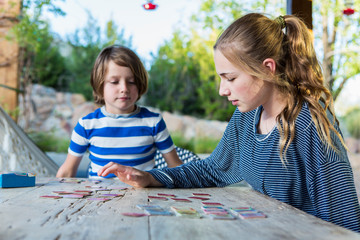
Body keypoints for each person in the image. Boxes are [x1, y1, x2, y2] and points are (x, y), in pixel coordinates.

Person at [97, 14, 360, 232]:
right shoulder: (246, 117)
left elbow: (344, 220)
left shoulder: (310, 124)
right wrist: (150, 178)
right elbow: (212, 170)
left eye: (230, 78)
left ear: (267, 68)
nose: (223, 90)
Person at [56, 45, 183, 178]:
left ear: (139, 85)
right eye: (114, 81)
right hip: (98, 198)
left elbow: (176, 168)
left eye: (132, 82)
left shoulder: (153, 122)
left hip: (145, 197)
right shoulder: (86, 125)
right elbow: (67, 172)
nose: (124, 88)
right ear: (100, 85)